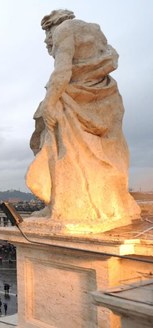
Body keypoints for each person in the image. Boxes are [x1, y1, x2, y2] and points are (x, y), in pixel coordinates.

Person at [26, 9, 140, 230]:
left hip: (72, 99)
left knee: (56, 148)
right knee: (108, 150)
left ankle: (61, 206)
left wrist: (50, 102)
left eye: (46, 35)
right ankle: (111, 202)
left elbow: (62, 71)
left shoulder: (63, 31)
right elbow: (110, 57)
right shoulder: (95, 30)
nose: (46, 41)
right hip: (104, 97)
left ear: (51, 27)